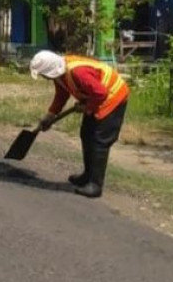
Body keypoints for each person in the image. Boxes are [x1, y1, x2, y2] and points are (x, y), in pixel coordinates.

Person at [29, 50, 130, 199]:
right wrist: (50, 115)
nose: (43, 77)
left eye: (43, 74)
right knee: (86, 134)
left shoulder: (78, 72)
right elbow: (62, 95)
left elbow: (101, 92)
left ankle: (95, 185)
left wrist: (87, 107)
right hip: (97, 97)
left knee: (99, 141)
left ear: (50, 71)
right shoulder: (60, 74)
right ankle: (87, 175)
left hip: (112, 97)